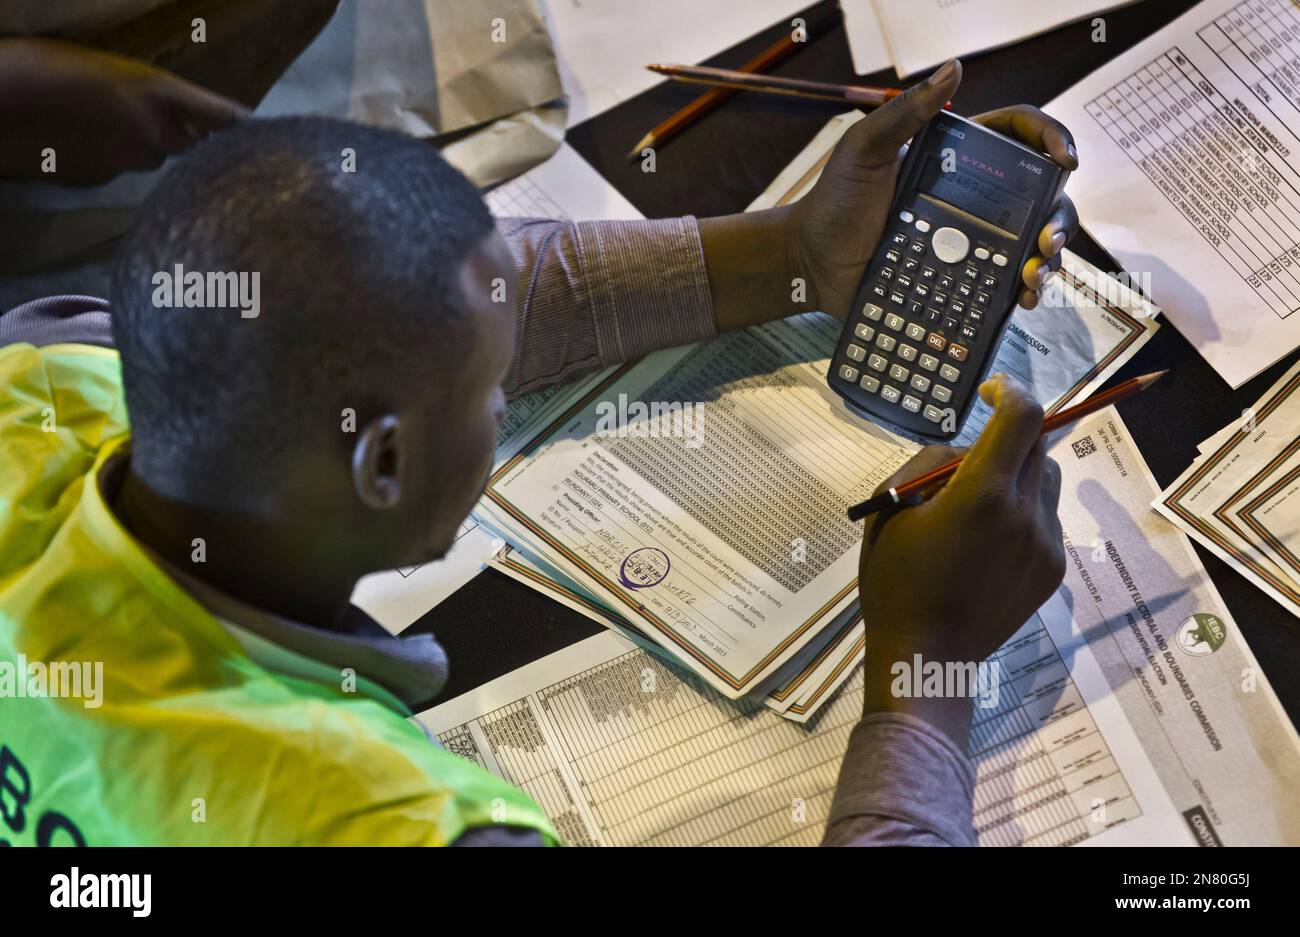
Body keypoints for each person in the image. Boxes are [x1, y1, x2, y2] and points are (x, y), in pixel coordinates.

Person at [0, 59, 1073, 845]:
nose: (509, 366)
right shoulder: (401, 826)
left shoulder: (45, 377)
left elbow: (413, 300)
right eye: (489, 384)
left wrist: (790, 257)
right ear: (380, 464)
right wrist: (923, 668)